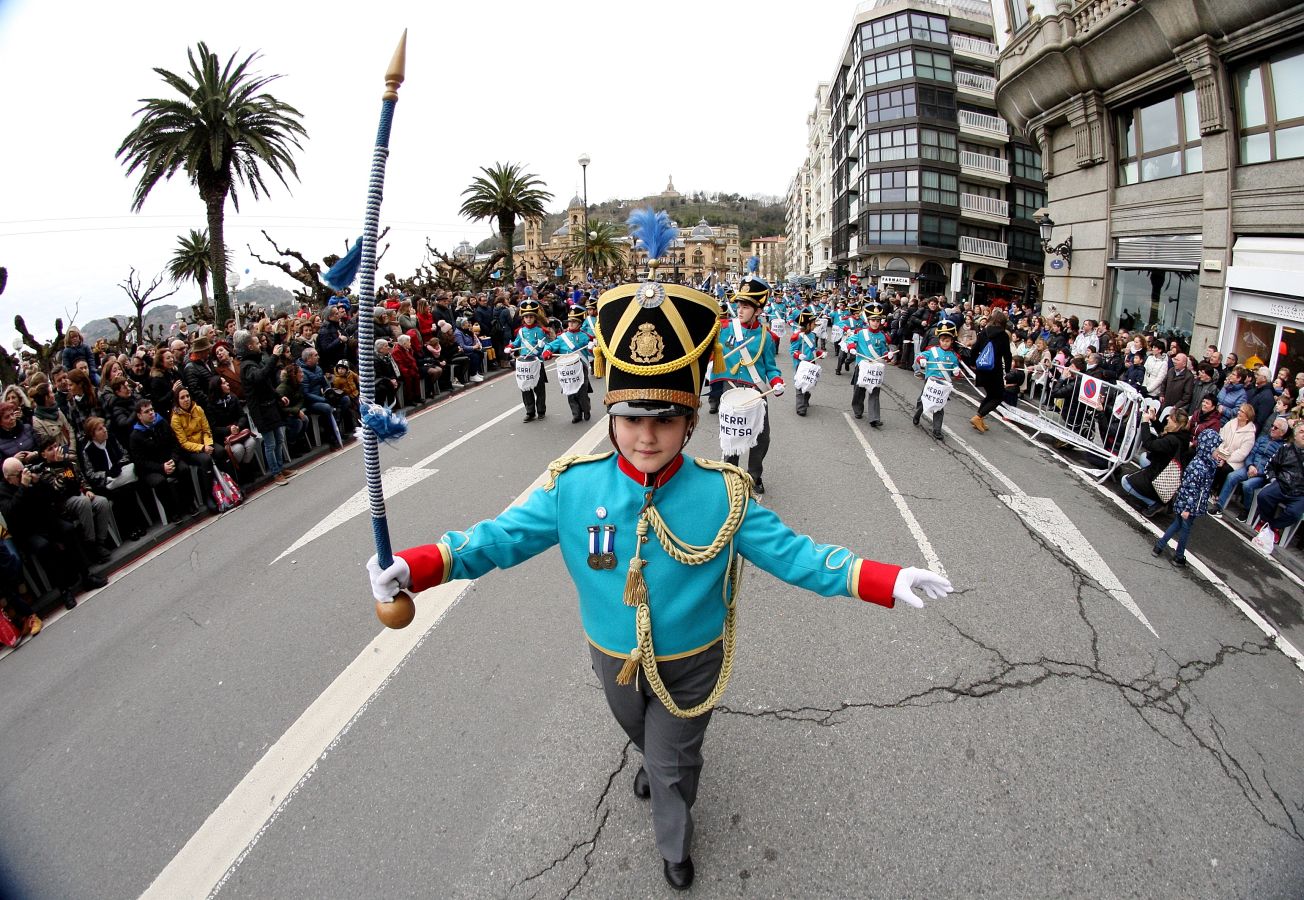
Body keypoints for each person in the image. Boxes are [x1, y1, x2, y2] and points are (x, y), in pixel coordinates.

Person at [367, 265, 953, 892]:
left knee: (673, 764)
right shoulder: (573, 486)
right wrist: (417, 566)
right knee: (642, 735)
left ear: (690, 423)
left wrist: (882, 578)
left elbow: (798, 556)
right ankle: (653, 755)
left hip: (692, 659)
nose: (646, 436)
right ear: (611, 418)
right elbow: (496, 539)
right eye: (631, 419)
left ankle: (675, 844)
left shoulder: (725, 494)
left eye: (665, 420)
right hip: (612, 656)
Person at [702, 271, 784, 492]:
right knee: (732, 435)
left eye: (746, 307)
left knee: (762, 437)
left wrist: (777, 382)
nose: (740, 310)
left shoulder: (766, 337)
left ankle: (754, 475)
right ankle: (731, 475)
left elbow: (770, 367)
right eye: (739, 305)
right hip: (730, 390)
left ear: (758, 310)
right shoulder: (723, 328)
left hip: (756, 392)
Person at [237, 329, 293, 485]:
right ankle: (276, 473)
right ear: (249, 346)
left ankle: (280, 467)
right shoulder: (247, 366)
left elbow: (266, 384)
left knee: (279, 439)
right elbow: (260, 377)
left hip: (270, 406)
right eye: (256, 343)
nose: (260, 345)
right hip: (261, 411)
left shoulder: (256, 361)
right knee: (270, 443)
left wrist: (279, 397)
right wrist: (274, 356)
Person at [79, 416, 148, 540]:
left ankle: (138, 523)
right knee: (119, 494)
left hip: (122, 475)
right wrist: (106, 473)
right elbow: (90, 474)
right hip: (105, 483)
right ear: (93, 435)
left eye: (104, 427)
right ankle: (129, 528)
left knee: (129, 489)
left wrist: (119, 465)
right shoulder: (87, 450)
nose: (104, 430)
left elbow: (125, 454)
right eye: (100, 429)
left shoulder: (111, 438)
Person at [1212, 416, 1288, 517]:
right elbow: (1251, 454)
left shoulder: (1283, 448)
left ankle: (1246, 510)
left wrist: (1258, 472)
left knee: (1247, 485)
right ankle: (1219, 506)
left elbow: (1275, 467)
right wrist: (1250, 465)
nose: (1272, 429)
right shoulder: (1262, 439)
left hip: (1263, 475)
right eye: (1272, 426)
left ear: (1282, 433)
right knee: (1231, 476)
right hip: (1250, 467)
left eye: (1276, 428)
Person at [1121, 408, 1190, 516]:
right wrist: (1154, 420)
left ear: (1176, 423)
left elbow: (1149, 444)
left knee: (1125, 481)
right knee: (1144, 458)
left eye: (1170, 418)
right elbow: (1165, 436)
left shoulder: (1172, 440)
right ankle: (1161, 495)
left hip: (1160, 473)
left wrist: (1145, 423)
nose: (1167, 418)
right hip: (1168, 472)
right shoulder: (1183, 435)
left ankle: (1154, 503)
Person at [1250, 422, 1304, 540]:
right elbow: (1270, 467)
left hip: (1300, 493)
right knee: (1264, 496)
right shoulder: (1285, 449)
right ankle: (1266, 521)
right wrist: (1274, 480)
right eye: (1301, 432)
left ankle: (1273, 527)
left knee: (1294, 513)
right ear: (1295, 435)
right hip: (1281, 484)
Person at [913, 320, 960, 441]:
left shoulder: (953, 356)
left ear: (951, 341)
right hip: (931, 381)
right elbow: (919, 356)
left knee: (939, 406)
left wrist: (956, 371)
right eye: (943, 340)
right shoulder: (932, 351)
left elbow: (955, 369)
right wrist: (921, 359)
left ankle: (937, 430)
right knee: (924, 401)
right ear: (939, 340)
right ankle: (917, 414)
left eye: (947, 341)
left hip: (943, 384)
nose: (945, 343)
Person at [547, 308, 596, 424]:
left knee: (582, 390)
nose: (571, 324)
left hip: (581, 366)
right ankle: (576, 414)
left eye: (574, 322)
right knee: (570, 391)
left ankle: (586, 410)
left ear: (579, 323)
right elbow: (550, 346)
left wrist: (592, 347)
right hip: (567, 368)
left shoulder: (585, 337)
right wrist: (547, 351)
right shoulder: (562, 337)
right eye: (570, 322)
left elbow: (593, 353)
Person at [847, 302, 892, 426]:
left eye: (878, 320)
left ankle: (874, 418)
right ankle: (857, 409)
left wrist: (888, 355)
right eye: (873, 320)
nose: (875, 323)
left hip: (875, 367)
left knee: (875, 392)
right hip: (862, 365)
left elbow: (883, 350)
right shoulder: (861, 333)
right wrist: (851, 347)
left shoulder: (882, 336)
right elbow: (850, 340)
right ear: (868, 320)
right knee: (859, 390)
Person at [508, 298, 551, 423]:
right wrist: (510, 347)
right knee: (525, 388)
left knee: (539, 388)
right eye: (526, 317)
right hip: (524, 363)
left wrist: (544, 345)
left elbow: (548, 345)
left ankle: (541, 411)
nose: (528, 319)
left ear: (535, 317)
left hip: (537, 362)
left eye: (531, 317)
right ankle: (530, 412)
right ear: (523, 318)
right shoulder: (521, 331)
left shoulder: (541, 331)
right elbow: (517, 343)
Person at [970, 309, 1012, 433]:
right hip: (994, 370)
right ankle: (978, 417)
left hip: (982, 367)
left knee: (990, 395)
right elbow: (1007, 355)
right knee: (998, 396)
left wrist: (973, 363)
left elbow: (974, 349)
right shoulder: (1003, 335)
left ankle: (980, 418)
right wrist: (1008, 370)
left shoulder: (984, 331)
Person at [790, 309, 825, 417]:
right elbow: (792, 350)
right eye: (813, 323)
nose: (815, 325)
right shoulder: (797, 336)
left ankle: (805, 400)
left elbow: (813, 350)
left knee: (809, 384)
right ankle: (800, 407)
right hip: (801, 365)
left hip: (811, 363)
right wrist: (798, 355)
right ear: (808, 324)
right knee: (800, 385)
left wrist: (820, 353)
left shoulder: (812, 335)